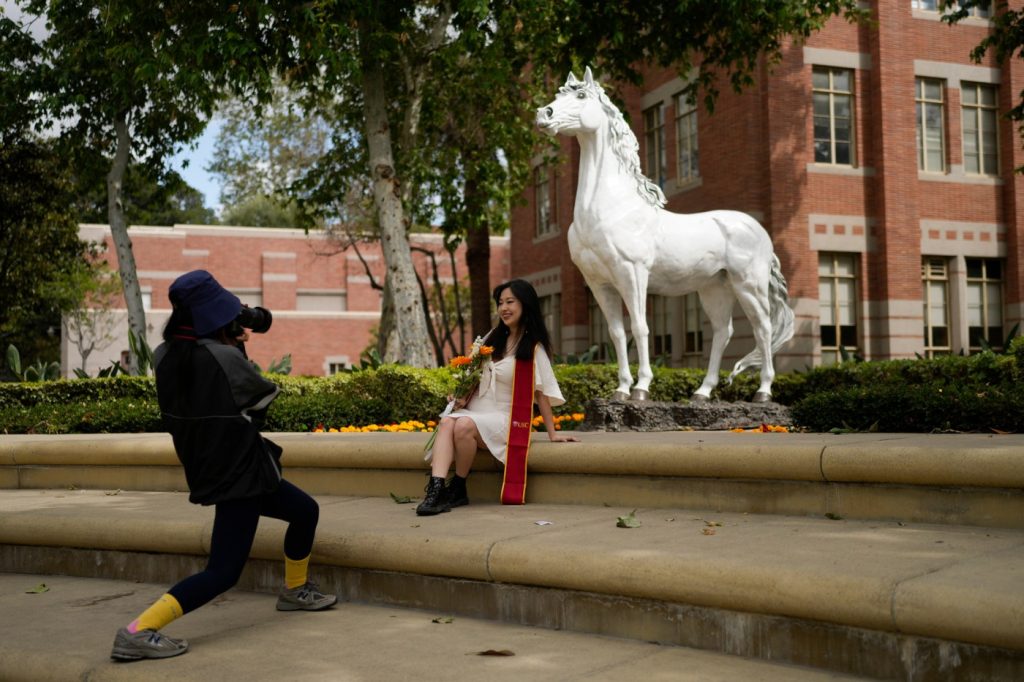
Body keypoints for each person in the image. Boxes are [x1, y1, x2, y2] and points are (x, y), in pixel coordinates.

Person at [110, 270, 336, 662]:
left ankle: (295, 591)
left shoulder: (165, 356)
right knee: (223, 572)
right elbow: (258, 400)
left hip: (212, 464)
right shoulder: (224, 356)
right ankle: (138, 630)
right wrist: (236, 344)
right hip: (240, 475)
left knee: (304, 511)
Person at [418, 278, 579, 516]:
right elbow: (473, 378)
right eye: (500, 302)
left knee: (462, 424)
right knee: (447, 422)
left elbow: (541, 395)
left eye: (510, 302)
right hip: (477, 412)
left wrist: (552, 434)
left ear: (525, 305)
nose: (504, 308)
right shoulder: (492, 339)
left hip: (506, 418)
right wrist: (460, 397)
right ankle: (436, 490)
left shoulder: (533, 348)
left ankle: (459, 485)